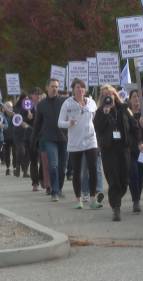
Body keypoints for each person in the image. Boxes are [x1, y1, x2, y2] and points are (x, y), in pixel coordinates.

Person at [94, 85, 139, 221]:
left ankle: (117, 198)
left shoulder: (124, 109)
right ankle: (116, 208)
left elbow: (134, 127)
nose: (108, 97)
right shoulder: (100, 112)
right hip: (108, 150)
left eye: (110, 94)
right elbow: (98, 127)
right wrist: (105, 112)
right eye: (105, 95)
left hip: (123, 149)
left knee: (124, 179)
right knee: (113, 179)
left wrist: (135, 142)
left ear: (115, 95)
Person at [58, 78, 101, 209]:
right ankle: (79, 200)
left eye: (82, 87)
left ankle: (93, 199)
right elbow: (60, 122)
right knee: (77, 172)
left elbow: (96, 118)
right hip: (75, 142)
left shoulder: (91, 103)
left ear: (85, 90)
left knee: (93, 169)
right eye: (77, 87)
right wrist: (68, 123)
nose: (80, 90)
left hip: (90, 140)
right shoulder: (67, 104)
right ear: (73, 89)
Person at [32, 79, 68, 202]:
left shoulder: (64, 102)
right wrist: (33, 140)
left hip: (63, 139)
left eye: (57, 87)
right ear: (47, 88)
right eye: (52, 86)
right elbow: (37, 124)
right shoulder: (41, 105)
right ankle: (55, 191)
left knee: (62, 168)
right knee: (53, 165)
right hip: (49, 139)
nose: (55, 89)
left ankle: (59, 188)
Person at [2, 101, 15, 176]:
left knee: (15, 153)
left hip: (14, 136)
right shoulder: (2, 116)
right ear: (5, 108)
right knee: (7, 153)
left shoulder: (14, 115)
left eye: (11, 107)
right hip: (6, 137)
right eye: (8, 107)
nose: (10, 108)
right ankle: (8, 168)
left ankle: (15, 167)